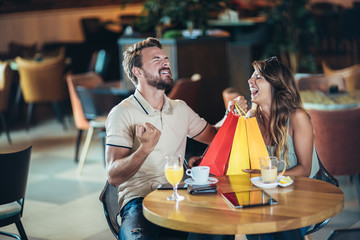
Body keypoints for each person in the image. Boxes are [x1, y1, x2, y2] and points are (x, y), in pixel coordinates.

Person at [105, 37, 247, 240]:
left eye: (165, 58)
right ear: (137, 72)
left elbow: (214, 136)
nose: (166, 62)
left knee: (221, 228)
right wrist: (144, 149)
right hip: (139, 200)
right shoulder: (122, 113)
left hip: (179, 194)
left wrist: (230, 113)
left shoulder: (179, 108)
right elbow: (113, 176)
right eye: (156, 59)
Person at [243, 56, 320, 240]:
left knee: (277, 227)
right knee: (256, 227)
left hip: (302, 196)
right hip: (267, 198)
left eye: (258, 77)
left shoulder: (297, 117)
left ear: (276, 85)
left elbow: (305, 169)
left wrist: (269, 177)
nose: (250, 80)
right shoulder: (251, 118)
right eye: (252, 76)